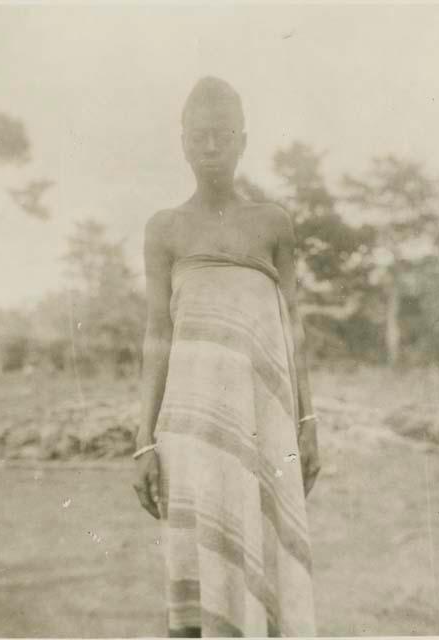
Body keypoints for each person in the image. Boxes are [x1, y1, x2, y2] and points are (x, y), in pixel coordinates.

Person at [133, 76, 320, 638]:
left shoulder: (272, 223)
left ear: (243, 140)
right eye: (197, 137)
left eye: (220, 136)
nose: (208, 148)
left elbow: (292, 328)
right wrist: (143, 440)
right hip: (189, 434)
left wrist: (308, 422)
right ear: (182, 142)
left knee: (268, 565)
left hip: (264, 429)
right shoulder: (164, 229)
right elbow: (156, 333)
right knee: (202, 569)